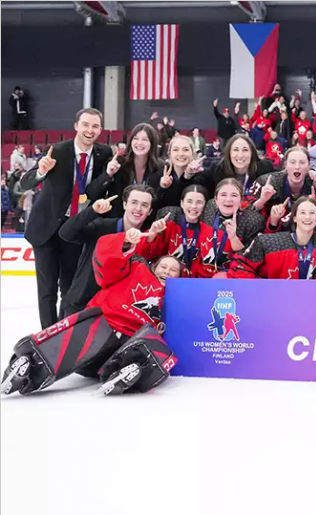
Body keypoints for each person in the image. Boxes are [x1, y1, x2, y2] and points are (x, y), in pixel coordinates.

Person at [1, 230, 182, 397]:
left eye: (173, 270)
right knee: (72, 340)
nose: (167, 271)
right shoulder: (135, 268)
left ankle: (127, 372)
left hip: (128, 343)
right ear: (154, 266)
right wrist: (124, 241)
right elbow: (107, 260)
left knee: (156, 347)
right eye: (163, 266)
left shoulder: (177, 298)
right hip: (103, 326)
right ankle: (26, 369)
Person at [18, 108, 113, 329]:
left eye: (95, 126)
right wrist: (41, 172)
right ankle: (47, 336)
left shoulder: (103, 154)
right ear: (76, 126)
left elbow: (100, 187)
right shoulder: (58, 151)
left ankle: (63, 333)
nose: (90, 130)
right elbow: (25, 183)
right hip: (47, 229)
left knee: (69, 289)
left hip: (75, 230)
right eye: (86, 125)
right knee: (47, 290)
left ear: (100, 130)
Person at [59, 184, 156, 316]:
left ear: (149, 211)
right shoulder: (102, 227)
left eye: (144, 205)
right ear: (124, 205)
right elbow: (66, 233)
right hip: (82, 304)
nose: (138, 209)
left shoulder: (148, 237)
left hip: (118, 312)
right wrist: (92, 210)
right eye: (134, 202)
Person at [229, 196, 316, 280]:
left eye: (312, 213)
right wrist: (261, 289)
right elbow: (240, 265)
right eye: (302, 212)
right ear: (294, 218)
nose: (307, 217)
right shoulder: (270, 243)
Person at [85, 123, 161, 217]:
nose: (139, 143)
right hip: (116, 220)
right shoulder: (117, 163)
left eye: (145, 139)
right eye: (135, 138)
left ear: (152, 143)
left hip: (145, 221)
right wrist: (108, 174)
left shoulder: (160, 167)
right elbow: (91, 194)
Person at [198, 179, 265, 277]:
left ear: (241, 200)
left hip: (232, 278)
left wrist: (233, 238)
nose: (228, 199)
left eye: (234, 195)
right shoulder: (209, 209)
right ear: (216, 199)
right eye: (223, 195)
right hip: (202, 276)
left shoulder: (253, 221)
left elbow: (249, 260)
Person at [249, 147, 316, 232]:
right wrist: (262, 200)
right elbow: (246, 212)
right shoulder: (267, 182)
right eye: (292, 162)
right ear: (285, 165)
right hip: (269, 235)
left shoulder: (315, 185)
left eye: (302, 162)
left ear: (309, 166)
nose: (297, 167)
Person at [148, 135, 204, 211]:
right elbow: (152, 209)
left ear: (192, 153)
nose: (180, 154)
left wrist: (188, 176)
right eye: (175, 150)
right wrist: (162, 188)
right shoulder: (156, 177)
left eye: (186, 150)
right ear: (169, 154)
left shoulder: (203, 177)